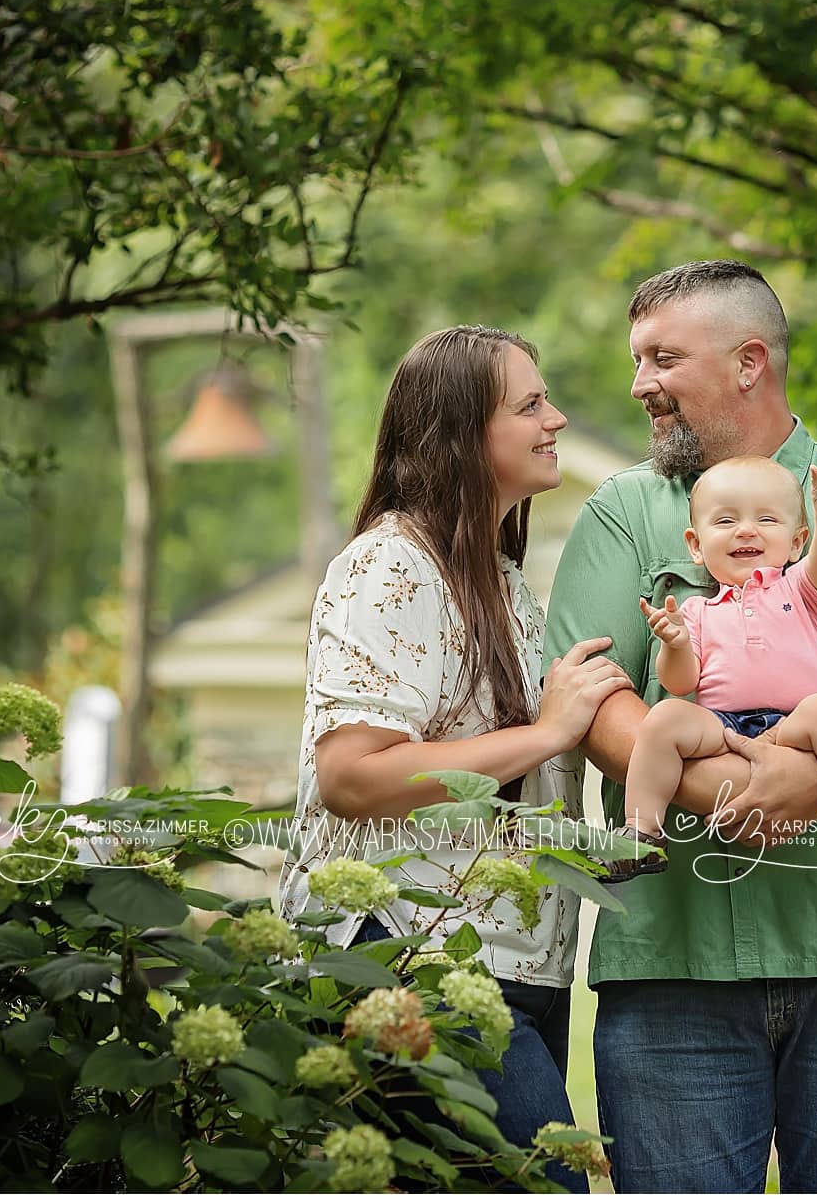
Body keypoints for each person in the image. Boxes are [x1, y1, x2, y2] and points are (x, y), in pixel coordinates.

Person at [543, 260, 817, 1193]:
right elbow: (592, 695)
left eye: (663, 359)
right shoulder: (625, 513)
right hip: (674, 966)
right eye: (636, 363)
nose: (639, 387)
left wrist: (813, 780)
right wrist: (734, 793)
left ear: (750, 363)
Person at [277, 325, 630, 1191]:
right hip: (408, 956)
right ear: (461, 433)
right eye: (530, 405)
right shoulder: (390, 569)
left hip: (510, 972)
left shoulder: (500, 579)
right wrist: (547, 732)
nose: (558, 419)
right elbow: (354, 775)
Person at [602, 453, 817, 879]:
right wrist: (676, 643)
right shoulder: (696, 610)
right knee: (662, 718)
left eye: (767, 520)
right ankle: (641, 833)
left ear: (796, 542)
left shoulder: (803, 588)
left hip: (796, 726)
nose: (746, 530)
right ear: (696, 545)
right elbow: (680, 684)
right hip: (724, 729)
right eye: (726, 521)